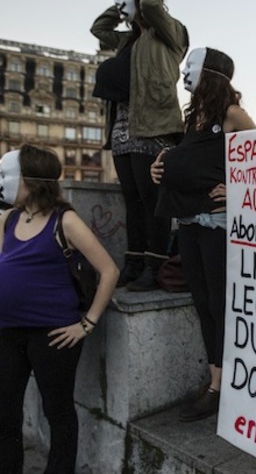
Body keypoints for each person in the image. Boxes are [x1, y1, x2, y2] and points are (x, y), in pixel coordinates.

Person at [151, 47, 256, 421]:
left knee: (218, 303)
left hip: (218, 225)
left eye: (190, 67)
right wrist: (161, 170)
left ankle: (220, 386)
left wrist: (238, 189)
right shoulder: (196, 117)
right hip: (191, 223)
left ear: (211, 73)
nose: (183, 73)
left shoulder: (231, 114)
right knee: (202, 303)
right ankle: (217, 378)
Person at [0, 145, 119, 473]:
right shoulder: (8, 218)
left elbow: (109, 271)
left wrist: (86, 324)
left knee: (58, 413)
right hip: (7, 332)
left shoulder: (64, 221)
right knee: (4, 412)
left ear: (30, 179)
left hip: (52, 335)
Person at [91, 0, 189, 291]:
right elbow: (99, 28)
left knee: (152, 199)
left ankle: (155, 265)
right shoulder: (126, 40)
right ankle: (133, 263)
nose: (120, 2)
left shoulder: (171, 31)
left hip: (154, 124)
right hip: (122, 126)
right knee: (131, 200)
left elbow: (148, 2)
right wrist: (121, 5)